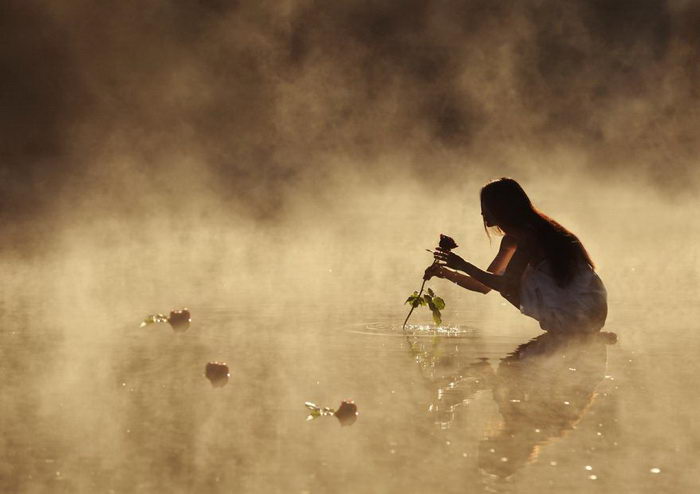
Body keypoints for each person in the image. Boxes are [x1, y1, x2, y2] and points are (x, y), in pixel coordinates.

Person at [424, 177, 607, 333]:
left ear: (502, 208)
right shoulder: (514, 239)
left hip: (583, 312)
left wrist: (462, 264)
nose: (482, 212)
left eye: (486, 206)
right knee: (505, 279)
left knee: (508, 281)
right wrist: (444, 272)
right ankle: (576, 331)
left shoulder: (531, 235)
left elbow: (504, 286)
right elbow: (484, 286)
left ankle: (570, 329)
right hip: (589, 313)